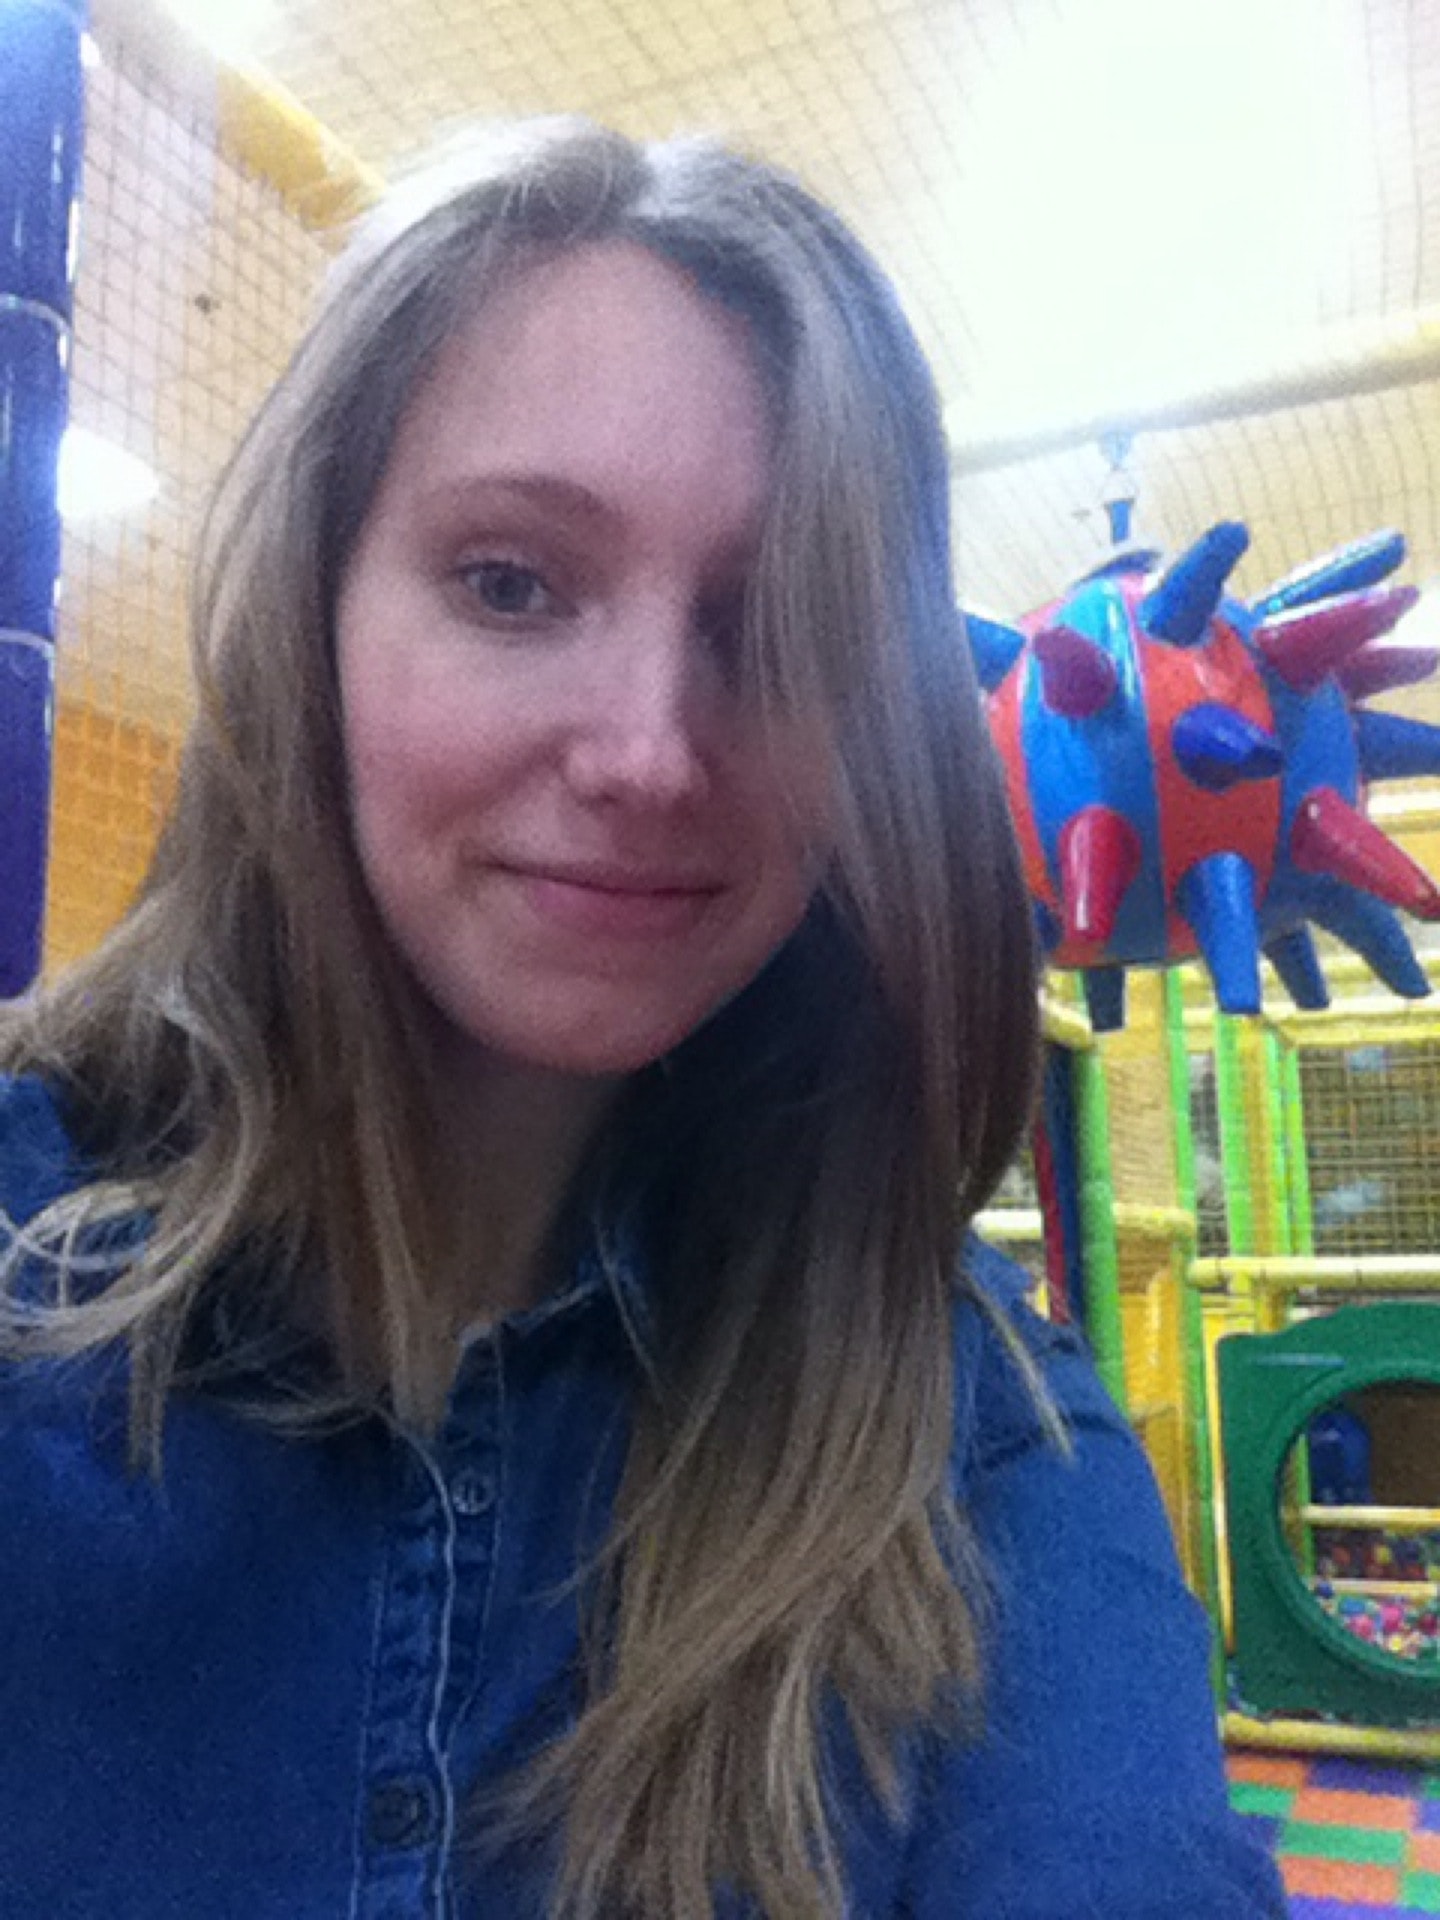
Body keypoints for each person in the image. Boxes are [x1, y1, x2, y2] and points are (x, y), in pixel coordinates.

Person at [0, 118, 1284, 1919]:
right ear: (312, 620)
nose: (650, 755)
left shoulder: (971, 1437)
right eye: (511, 583)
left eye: (772, 626)